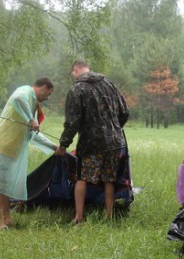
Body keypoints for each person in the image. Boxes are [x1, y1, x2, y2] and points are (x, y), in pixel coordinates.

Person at [55, 60, 129, 222]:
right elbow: (125, 112)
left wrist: (63, 145)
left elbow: (72, 122)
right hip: (115, 142)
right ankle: (108, 215)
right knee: (109, 179)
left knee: (82, 177)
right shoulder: (109, 84)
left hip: (91, 144)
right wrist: (114, 129)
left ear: (75, 71)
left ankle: (79, 217)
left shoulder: (77, 88)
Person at [0, 77, 56, 232]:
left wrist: (54, 147)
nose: (48, 98)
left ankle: (7, 218)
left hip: (13, 148)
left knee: (7, 184)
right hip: (2, 144)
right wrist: (30, 119)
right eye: (48, 94)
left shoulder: (32, 106)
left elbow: (34, 134)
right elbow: (17, 98)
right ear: (42, 87)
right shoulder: (25, 91)